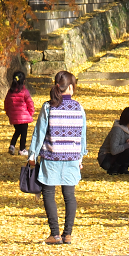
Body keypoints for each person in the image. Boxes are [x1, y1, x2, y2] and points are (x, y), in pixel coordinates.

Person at [27, 71, 87, 245]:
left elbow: (39, 134)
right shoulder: (78, 107)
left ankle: (54, 234)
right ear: (70, 87)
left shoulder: (48, 107)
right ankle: (68, 234)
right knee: (69, 195)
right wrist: (80, 157)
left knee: (48, 193)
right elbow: (82, 135)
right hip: (71, 158)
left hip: (51, 157)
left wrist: (32, 155)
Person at [97, 107, 129, 174]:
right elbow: (114, 150)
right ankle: (113, 169)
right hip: (107, 158)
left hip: (119, 155)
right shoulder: (117, 130)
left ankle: (123, 168)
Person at [4, 70, 35, 156]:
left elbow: (6, 103)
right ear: (24, 81)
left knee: (17, 131)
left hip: (14, 117)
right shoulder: (24, 92)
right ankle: (22, 149)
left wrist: (8, 113)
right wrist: (31, 112)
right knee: (23, 133)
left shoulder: (10, 92)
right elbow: (30, 103)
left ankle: (12, 145)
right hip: (24, 117)